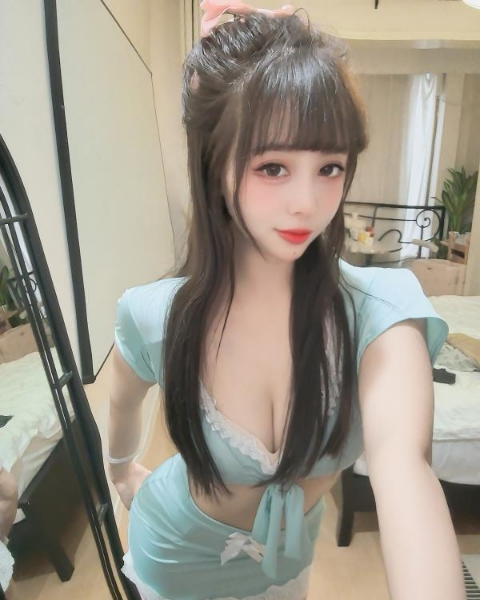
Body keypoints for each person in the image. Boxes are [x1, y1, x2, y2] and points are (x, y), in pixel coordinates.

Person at [107, 2, 465, 599]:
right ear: (213, 161)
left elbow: (406, 472)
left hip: (287, 558)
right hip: (172, 550)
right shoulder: (158, 314)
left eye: (330, 167)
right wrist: (120, 472)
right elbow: (122, 402)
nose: (307, 201)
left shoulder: (380, 313)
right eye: (273, 166)